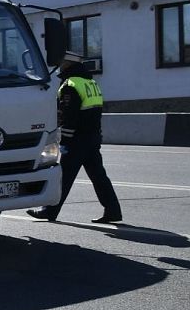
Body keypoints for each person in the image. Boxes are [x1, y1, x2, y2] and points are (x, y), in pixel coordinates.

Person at [27, 54, 122, 224]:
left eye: (61, 62)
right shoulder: (91, 83)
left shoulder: (70, 85)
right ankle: (113, 209)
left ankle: (49, 211)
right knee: (99, 176)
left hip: (76, 140)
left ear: (67, 64)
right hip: (92, 137)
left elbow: (68, 116)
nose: (59, 65)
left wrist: (65, 142)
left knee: (63, 177)